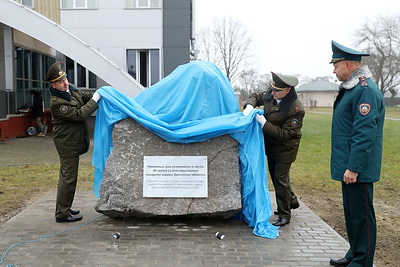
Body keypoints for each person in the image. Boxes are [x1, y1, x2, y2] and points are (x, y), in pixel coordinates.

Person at [328, 41, 385, 267]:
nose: (333, 69)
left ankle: (362, 262)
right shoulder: (354, 89)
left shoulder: (364, 90)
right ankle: (354, 253)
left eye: (336, 64)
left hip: (357, 167)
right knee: (352, 214)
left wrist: (354, 168)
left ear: (349, 64)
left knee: (362, 215)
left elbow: (364, 133)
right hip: (349, 165)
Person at [243, 72, 305, 227]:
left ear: (287, 91)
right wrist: (249, 106)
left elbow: (284, 135)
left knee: (280, 179)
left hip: (285, 149)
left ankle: (285, 214)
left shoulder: (296, 109)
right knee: (277, 177)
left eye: (278, 91)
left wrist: (263, 123)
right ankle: (291, 200)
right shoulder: (272, 94)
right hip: (270, 145)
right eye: (273, 90)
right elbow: (256, 96)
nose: (273, 93)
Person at [44, 61, 101, 223]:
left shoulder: (70, 91)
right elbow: (79, 114)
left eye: (65, 79)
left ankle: (65, 208)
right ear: (54, 86)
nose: (66, 83)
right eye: (61, 82)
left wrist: (99, 95)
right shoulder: (58, 103)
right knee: (68, 178)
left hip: (72, 141)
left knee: (70, 177)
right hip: (66, 144)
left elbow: (84, 97)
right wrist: (96, 100)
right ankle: (62, 213)